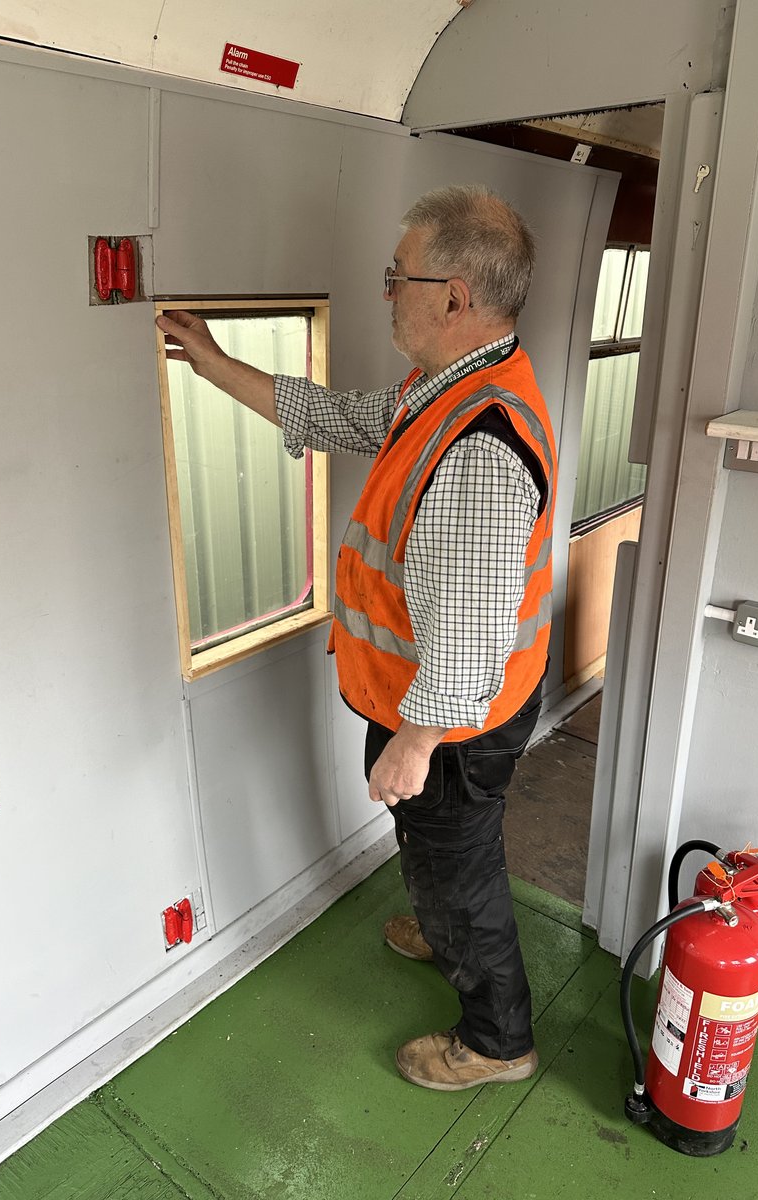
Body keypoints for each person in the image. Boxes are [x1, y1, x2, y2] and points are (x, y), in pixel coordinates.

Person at [157, 184, 557, 1092]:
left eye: (396, 277)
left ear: (453, 296)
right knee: (439, 846)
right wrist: (217, 365)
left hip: (453, 720)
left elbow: (470, 634)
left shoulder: (480, 446)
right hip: (421, 700)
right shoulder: (444, 388)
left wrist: (416, 744)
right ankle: (441, 916)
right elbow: (349, 420)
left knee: (461, 861)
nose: (385, 293)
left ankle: (498, 1039)